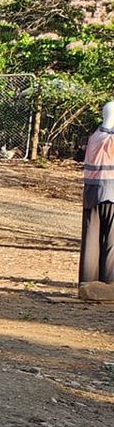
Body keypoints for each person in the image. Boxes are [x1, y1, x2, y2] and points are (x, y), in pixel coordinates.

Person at [86, 101, 114, 287]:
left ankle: (87, 281)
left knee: (91, 239)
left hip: (91, 192)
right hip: (111, 192)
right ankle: (110, 283)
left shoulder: (94, 137)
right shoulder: (110, 140)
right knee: (112, 240)